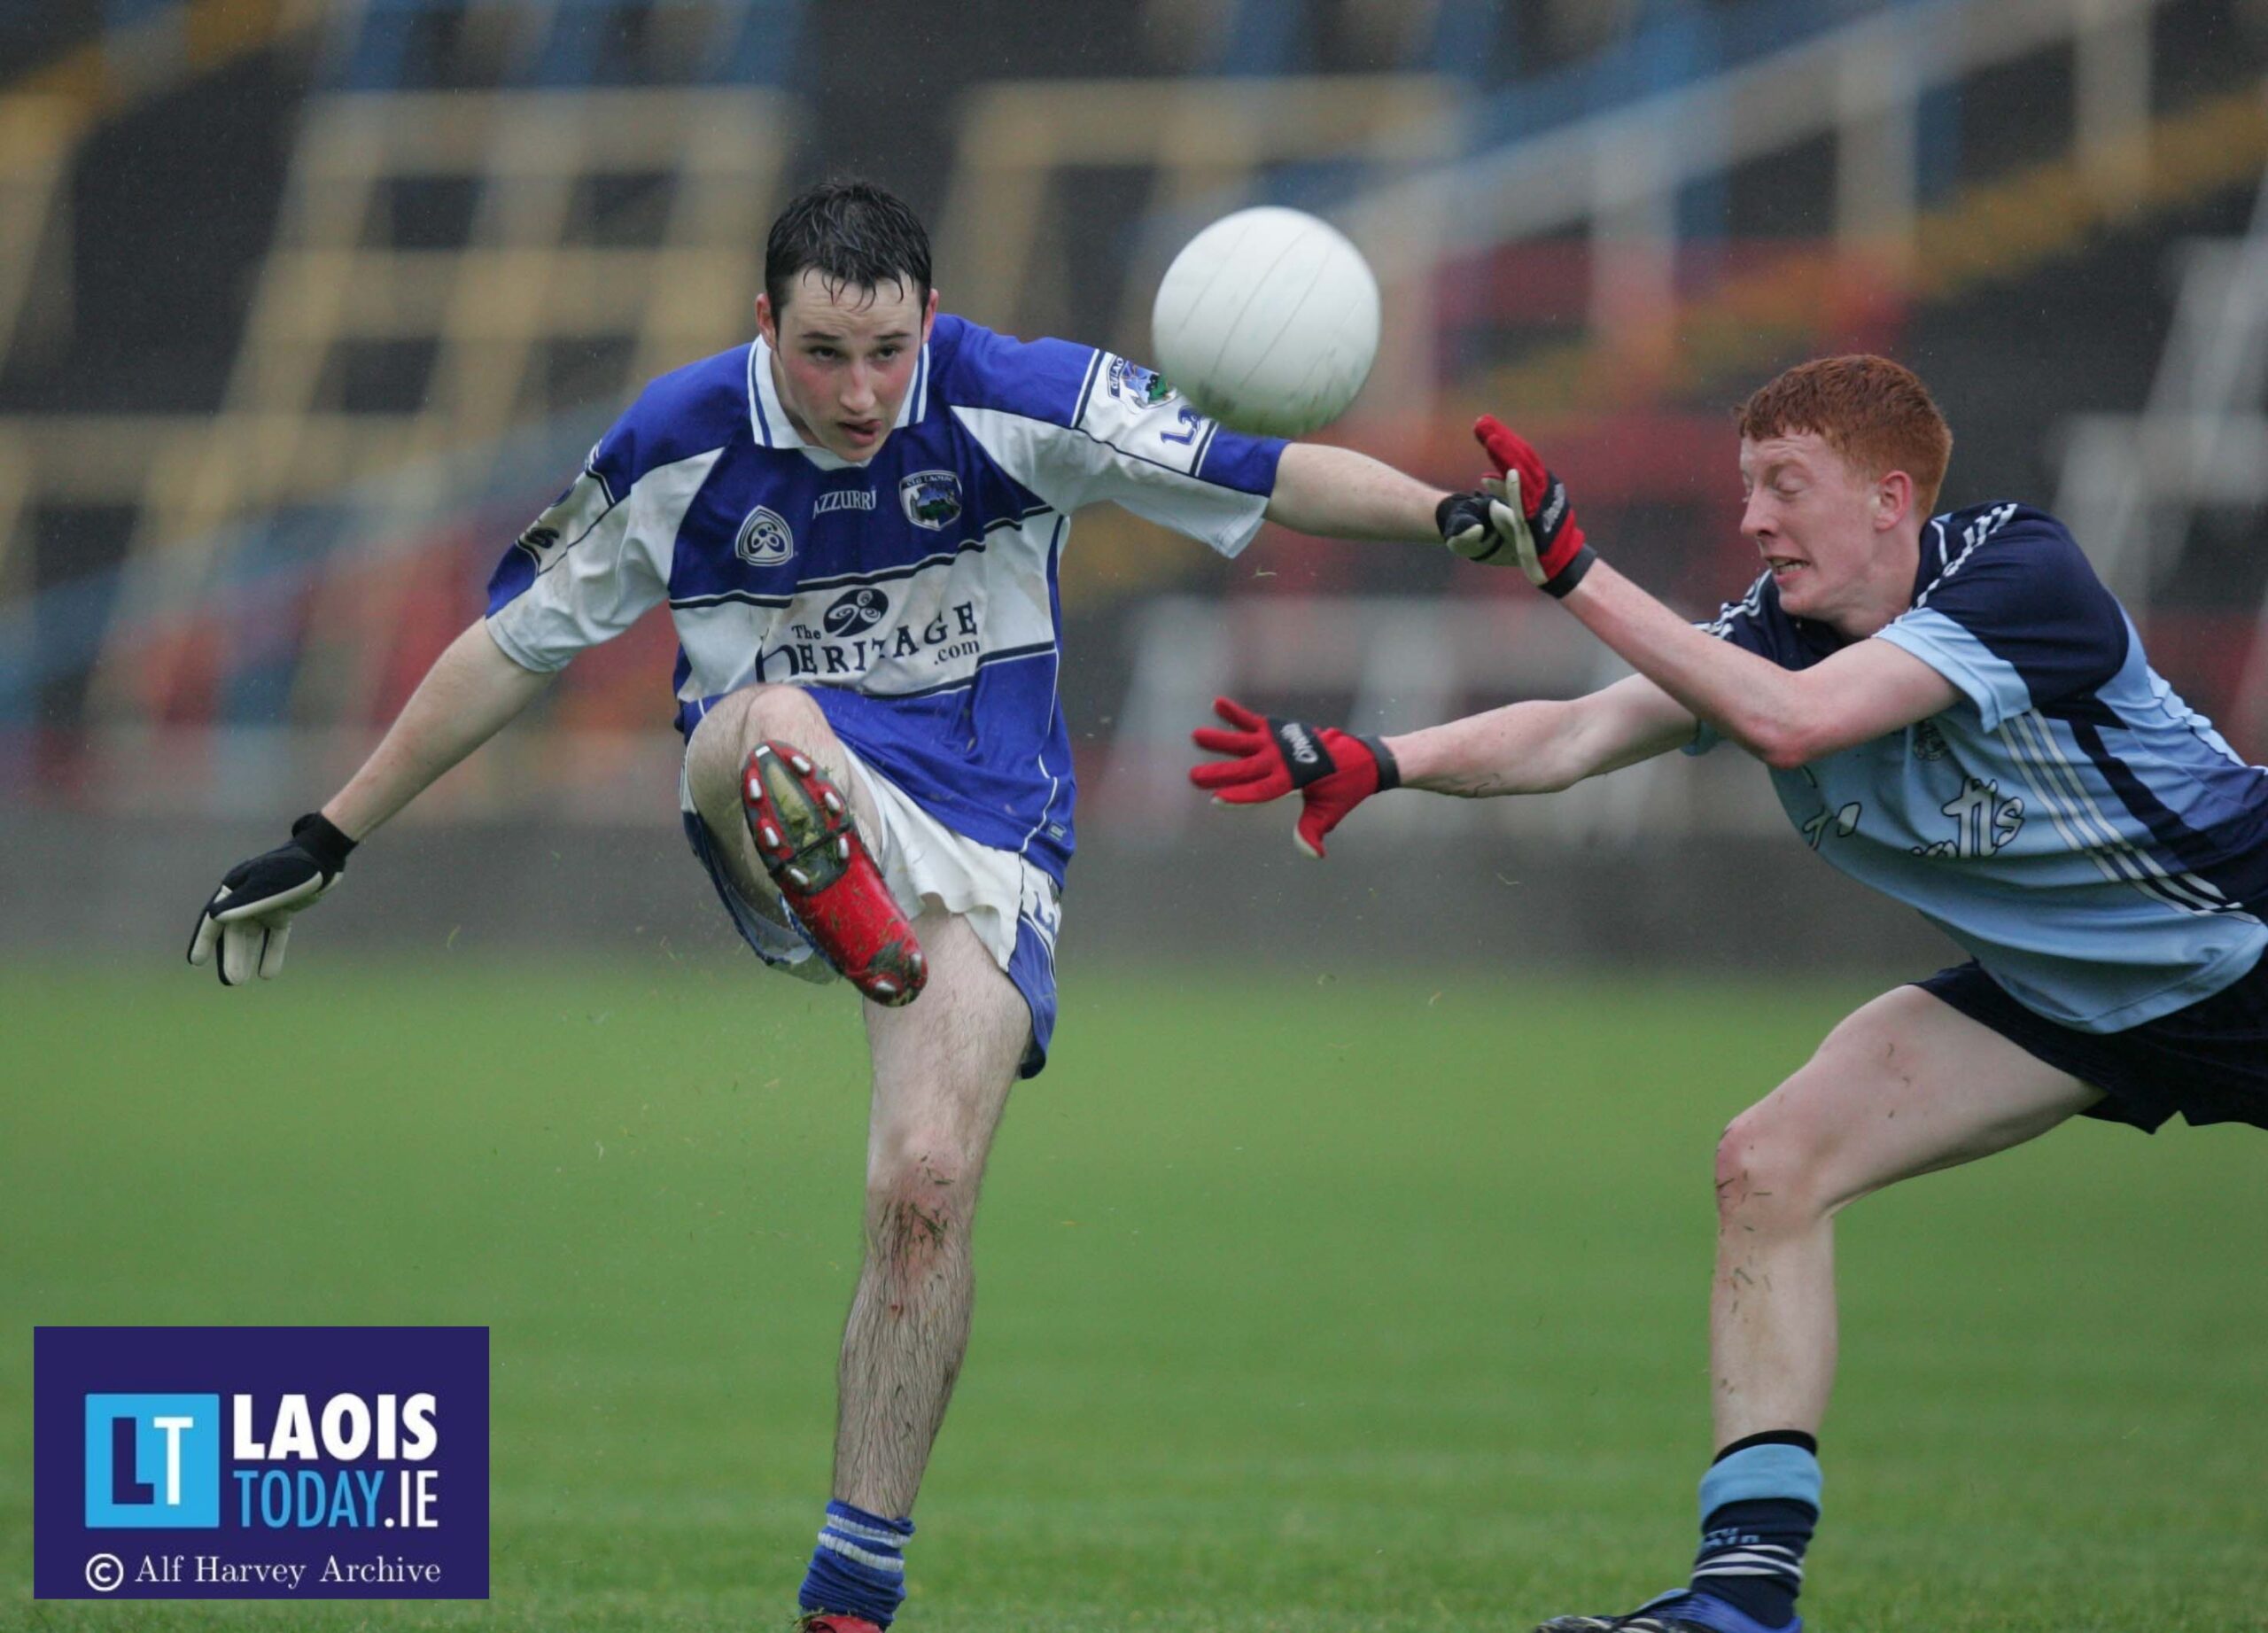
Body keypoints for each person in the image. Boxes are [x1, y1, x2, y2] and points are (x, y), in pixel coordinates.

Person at [186, 178, 1491, 1631]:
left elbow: (1274, 473)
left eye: (888, 353)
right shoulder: (675, 443)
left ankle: (853, 1585)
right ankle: (840, 904)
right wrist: (329, 834)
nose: (862, 393)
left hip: (994, 839)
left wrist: (1459, 516)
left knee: (925, 1189)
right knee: (767, 726)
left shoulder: (1019, 396)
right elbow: (510, 647)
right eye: (822, 355)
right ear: (765, 326)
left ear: (929, 320)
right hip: (778, 793)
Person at [1190, 354, 2268, 1633]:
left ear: (1889, 498)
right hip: (2071, 1001)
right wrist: (1373, 758)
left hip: (2242, 946)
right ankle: (1743, 1599)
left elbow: (1795, 726)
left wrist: (1575, 572)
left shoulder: (2020, 575)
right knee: (1769, 1163)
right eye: (1748, 486)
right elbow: (1580, 734)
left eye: (1786, 487)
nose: (1754, 518)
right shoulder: (1771, 629)